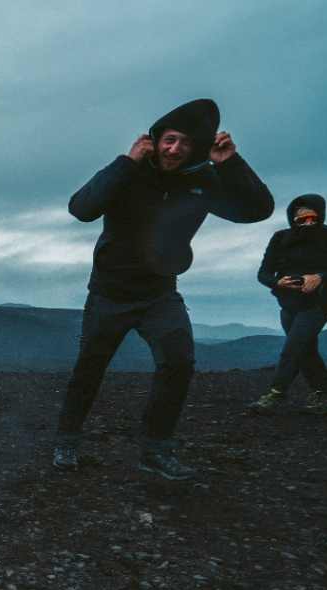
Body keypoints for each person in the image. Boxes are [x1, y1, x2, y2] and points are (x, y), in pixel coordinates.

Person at [52, 98, 274, 479]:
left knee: (178, 363)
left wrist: (231, 163)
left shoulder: (203, 182)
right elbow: (81, 208)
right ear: (154, 141)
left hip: (159, 293)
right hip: (110, 292)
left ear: (197, 149)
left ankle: (156, 451)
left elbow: (257, 210)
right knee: (90, 369)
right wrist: (125, 161)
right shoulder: (129, 174)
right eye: (169, 139)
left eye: (186, 143)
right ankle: (66, 442)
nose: (175, 149)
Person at [249, 194, 327, 415]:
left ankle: (276, 394)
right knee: (306, 348)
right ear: (291, 218)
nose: (308, 223)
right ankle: (325, 396)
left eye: (312, 218)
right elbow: (263, 273)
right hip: (288, 302)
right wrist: (277, 281)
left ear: (321, 216)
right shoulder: (280, 238)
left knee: (294, 346)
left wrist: (322, 277)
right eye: (301, 219)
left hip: (320, 301)